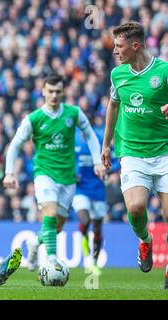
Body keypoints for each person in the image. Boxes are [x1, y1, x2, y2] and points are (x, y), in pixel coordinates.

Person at [3, 74, 105, 271]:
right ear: (43, 92)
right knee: (49, 212)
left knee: (57, 227)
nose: (54, 95)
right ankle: (51, 260)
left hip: (67, 177)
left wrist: (97, 161)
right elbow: (15, 144)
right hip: (44, 173)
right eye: (50, 91)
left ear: (63, 92)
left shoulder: (73, 113)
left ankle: (34, 243)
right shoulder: (33, 119)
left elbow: (90, 135)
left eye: (58, 91)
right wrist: (9, 172)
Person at [101, 22, 168, 286]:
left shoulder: (163, 71)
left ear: (135, 46)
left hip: (164, 150)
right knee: (137, 207)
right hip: (132, 152)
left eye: (119, 46)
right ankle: (145, 240)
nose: (115, 51)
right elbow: (113, 107)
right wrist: (106, 144)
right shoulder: (118, 75)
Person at [73, 123, 119, 275]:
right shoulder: (74, 141)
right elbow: (65, 160)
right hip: (80, 190)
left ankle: (94, 261)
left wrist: (108, 169)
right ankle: (86, 254)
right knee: (85, 220)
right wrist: (71, 173)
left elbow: (117, 159)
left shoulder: (100, 141)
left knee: (98, 228)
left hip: (98, 190)